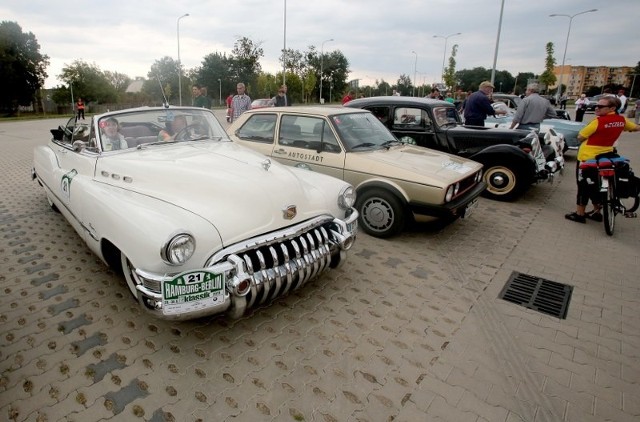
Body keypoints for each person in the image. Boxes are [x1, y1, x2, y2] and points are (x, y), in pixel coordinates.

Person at [564, 96, 639, 223]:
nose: (596, 108)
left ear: (612, 108)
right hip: (606, 156)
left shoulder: (598, 121)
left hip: (587, 158)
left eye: (600, 106)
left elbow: (581, 136)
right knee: (599, 185)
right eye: (596, 105)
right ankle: (597, 212)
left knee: (583, 185)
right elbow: (635, 128)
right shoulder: (621, 120)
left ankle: (580, 214)